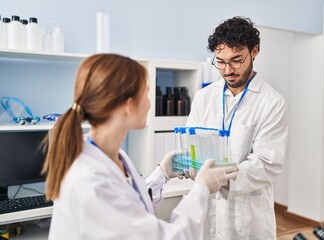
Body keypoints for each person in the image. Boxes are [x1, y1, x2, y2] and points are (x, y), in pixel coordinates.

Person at [41, 54, 238, 240]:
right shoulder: (91, 181)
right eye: (146, 93)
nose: (150, 102)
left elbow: (130, 206)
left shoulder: (115, 156)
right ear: (127, 105)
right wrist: (202, 188)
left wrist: (162, 174)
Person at [186, 17, 289, 239]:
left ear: (255, 51)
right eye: (220, 62)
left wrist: (222, 179)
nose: (227, 70)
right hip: (207, 209)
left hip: (248, 217)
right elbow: (192, 144)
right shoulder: (204, 97)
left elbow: (265, 164)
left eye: (236, 60)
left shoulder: (272, 102)